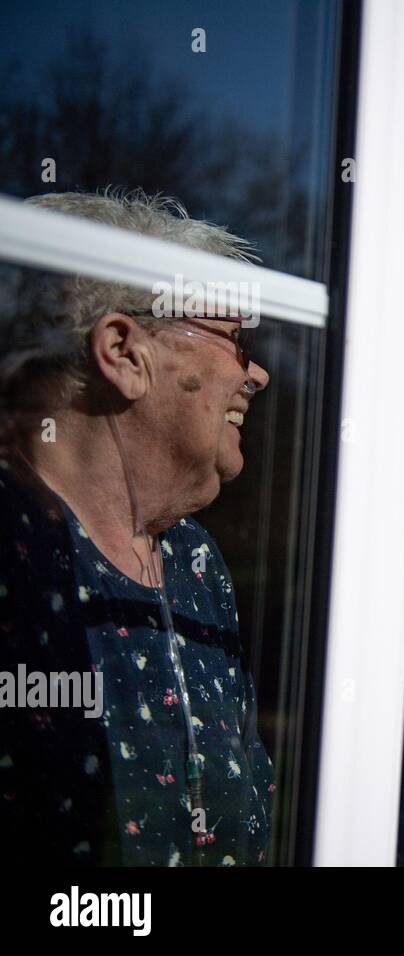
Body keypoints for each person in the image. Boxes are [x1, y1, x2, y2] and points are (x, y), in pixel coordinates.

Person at [0, 189, 274, 865]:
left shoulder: (195, 561)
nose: (258, 374)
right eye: (237, 342)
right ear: (124, 352)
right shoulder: (12, 542)